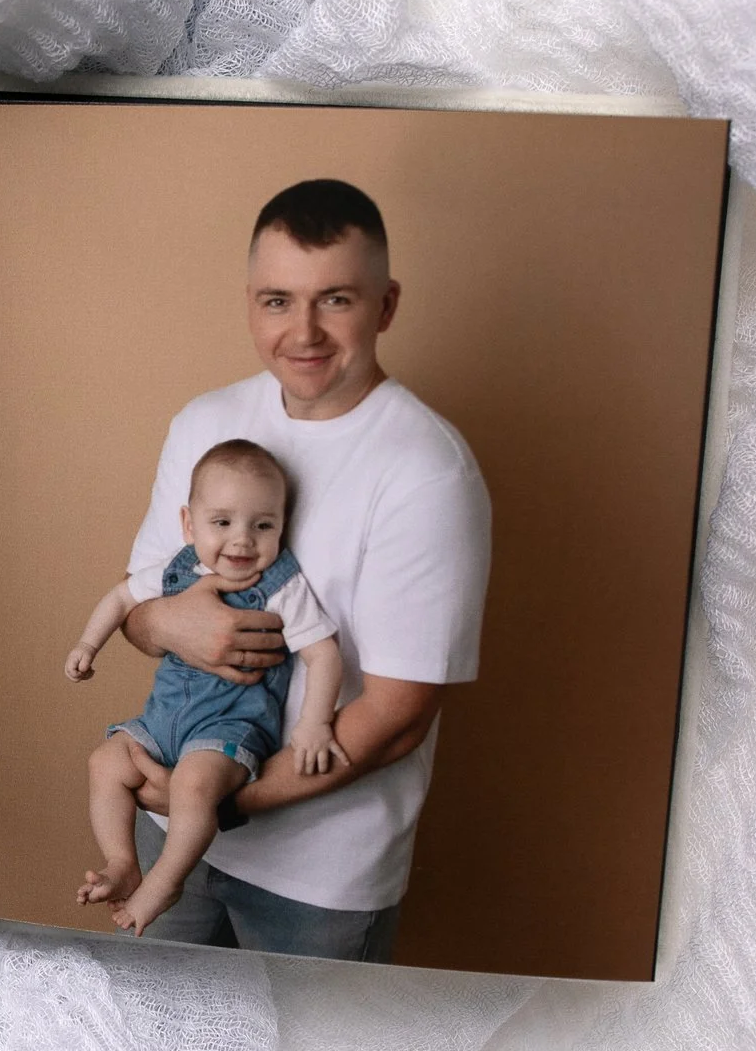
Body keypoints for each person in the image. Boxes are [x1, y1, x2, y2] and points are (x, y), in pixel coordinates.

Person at [118, 179, 491, 960]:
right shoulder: (206, 422)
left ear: (386, 305)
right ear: (251, 302)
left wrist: (223, 799)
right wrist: (163, 620)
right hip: (168, 828)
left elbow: (397, 717)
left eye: (337, 300)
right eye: (278, 300)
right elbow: (140, 602)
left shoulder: (426, 469)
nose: (305, 331)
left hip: (319, 878)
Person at [65, 438, 346, 934]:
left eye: (263, 525)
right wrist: (88, 644)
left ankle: (166, 879)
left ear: (283, 525)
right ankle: (121, 861)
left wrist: (315, 724)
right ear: (189, 525)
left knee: (194, 786)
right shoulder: (178, 568)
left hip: (230, 727)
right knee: (105, 760)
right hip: (162, 721)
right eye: (222, 523)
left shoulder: (281, 584)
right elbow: (120, 597)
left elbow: (323, 653)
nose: (242, 541)